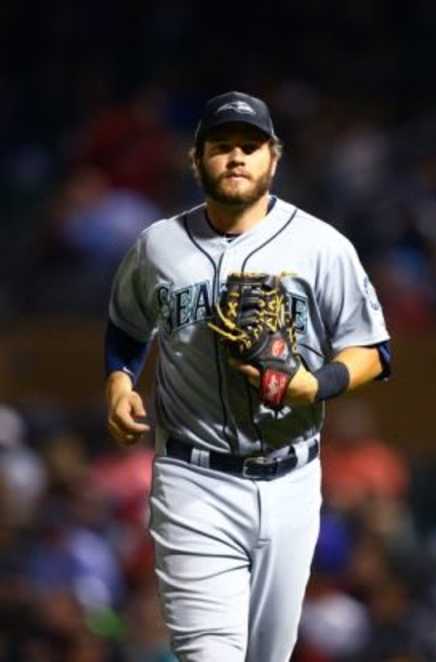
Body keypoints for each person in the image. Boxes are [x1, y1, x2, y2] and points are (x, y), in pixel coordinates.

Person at [104, 91, 391, 662]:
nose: (236, 157)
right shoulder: (157, 246)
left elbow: (373, 350)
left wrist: (318, 382)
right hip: (193, 480)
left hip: (293, 481)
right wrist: (118, 380)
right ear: (196, 160)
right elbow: (126, 325)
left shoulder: (320, 245)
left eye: (250, 146)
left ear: (273, 159)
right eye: (221, 147)